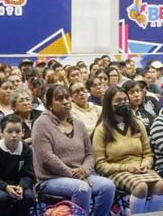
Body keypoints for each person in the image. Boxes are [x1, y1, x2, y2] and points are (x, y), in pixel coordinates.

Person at [32, 84, 115, 214]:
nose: (65, 101)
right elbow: (47, 157)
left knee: (108, 186)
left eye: (67, 97)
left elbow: (89, 153)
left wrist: (84, 170)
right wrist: (72, 174)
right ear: (49, 104)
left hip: (81, 175)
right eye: (59, 99)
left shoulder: (78, 124)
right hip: (51, 178)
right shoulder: (41, 124)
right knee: (82, 188)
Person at [92, 86, 163, 214]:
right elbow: (100, 165)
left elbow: (148, 153)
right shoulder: (101, 129)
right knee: (141, 187)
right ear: (109, 105)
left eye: (125, 99)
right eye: (118, 101)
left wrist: (146, 164)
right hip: (116, 171)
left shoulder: (137, 124)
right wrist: (126, 167)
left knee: (161, 185)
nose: (123, 103)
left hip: (140, 168)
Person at [0, 114, 36, 216]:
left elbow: (28, 174)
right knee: (3, 198)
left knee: (28, 196)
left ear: (23, 133)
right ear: (1, 133)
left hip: (19, 185)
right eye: (9, 131)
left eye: (18, 131)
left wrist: (21, 186)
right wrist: (6, 187)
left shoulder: (27, 151)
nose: (14, 135)